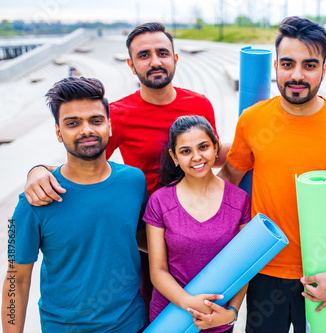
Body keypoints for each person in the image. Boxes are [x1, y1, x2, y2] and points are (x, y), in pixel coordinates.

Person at [23, 22, 227, 318]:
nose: (155, 61)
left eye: (162, 53)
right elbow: (85, 167)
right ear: (131, 65)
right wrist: (38, 169)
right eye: (144, 55)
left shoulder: (199, 105)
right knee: (154, 313)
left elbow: (204, 159)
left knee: (207, 308)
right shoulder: (117, 114)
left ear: (175, 58)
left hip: (197, 228)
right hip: (148, 234)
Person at [218, 16, 326, 332]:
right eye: (287, 64)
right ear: (275, 66)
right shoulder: (253, 120)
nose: (297, 75)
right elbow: (228, 181)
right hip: (262, 266)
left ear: (324, 70)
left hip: (322, 271)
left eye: (309, 65)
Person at [1, 77, 147, 332]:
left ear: (110, 126)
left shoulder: (134, 181)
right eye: (72, 123)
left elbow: (142, 239)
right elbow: (16, 278)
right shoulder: (33, 199)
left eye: (96, 120)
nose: (86, 130)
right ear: (58, 132)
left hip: (131, 324)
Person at [145, 116, 250, 331]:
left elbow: (244, 266)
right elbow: (157, 270)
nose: (196, 157)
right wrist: (187, 302)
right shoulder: (160, 201)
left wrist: (231, 314)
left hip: (217, 318)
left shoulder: (239, 200)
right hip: (170, 317)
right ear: (174, 157)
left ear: (216, 148)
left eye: (203, 147)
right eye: (185, 151)